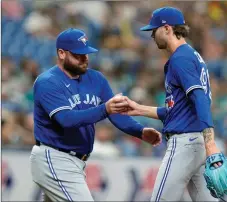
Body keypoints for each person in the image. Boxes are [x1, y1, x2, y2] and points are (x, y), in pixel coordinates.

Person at [122, 7, 227, 201]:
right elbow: (176, 110)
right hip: (197, 143)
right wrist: (139, 109)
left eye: (154, 30)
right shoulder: (191, 55)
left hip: (186, 144)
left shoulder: (181, 58)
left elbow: (200, 98)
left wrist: (210, 143)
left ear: (167, 28)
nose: (152, 35)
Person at [29, 28, 162, 201]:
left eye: (86, 53)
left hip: (76, 161)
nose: (84, 59)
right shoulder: (48, 82)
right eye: (78, 54)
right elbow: (66, 120)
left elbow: (116, 113)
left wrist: (140, 131)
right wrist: (104, 109)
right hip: (54, 158)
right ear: (61, 53)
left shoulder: (96, 79)